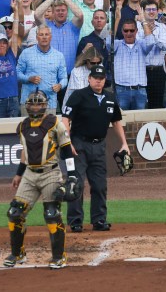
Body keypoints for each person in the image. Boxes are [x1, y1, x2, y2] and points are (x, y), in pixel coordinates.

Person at [4, 90, 76, 269]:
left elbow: (67, 149)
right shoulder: (22, 126)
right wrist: (19, 173)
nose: (35, 107)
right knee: (15, 212)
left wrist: (72, 175)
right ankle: (17, 253)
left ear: (45, 106)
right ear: (27, 106)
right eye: (32, 103)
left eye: (39, 104)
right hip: (29, 173)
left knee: (52, 214)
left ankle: (59, 257)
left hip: (50, 173)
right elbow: (25, 152)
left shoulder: (55, 124)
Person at [62, 65, 130, 232]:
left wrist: (124, 143)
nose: (98, 81)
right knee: (76, 183)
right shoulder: (79, 95)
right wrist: (67, 142)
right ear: (89, 79)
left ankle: (99, 220)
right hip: (79, 144)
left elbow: (116, 122)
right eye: (95, 78)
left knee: (99, 184)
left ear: (104, 80)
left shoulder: (110, 97)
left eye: (101, 78)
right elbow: (65, 120)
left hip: (99, 145)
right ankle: (76, 221)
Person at [16, 25, 68, 116]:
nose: (44, 37)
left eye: (46, 34)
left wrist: (60, 85)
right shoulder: (26, 53)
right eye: (41, 34)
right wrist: (29, 79)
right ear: (37, 37)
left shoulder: (59, 56)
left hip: (49, 103)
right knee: (27, 130)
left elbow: (64, 78)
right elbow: (17, 73)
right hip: (29, 103)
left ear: (51, 37)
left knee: (48, 130)